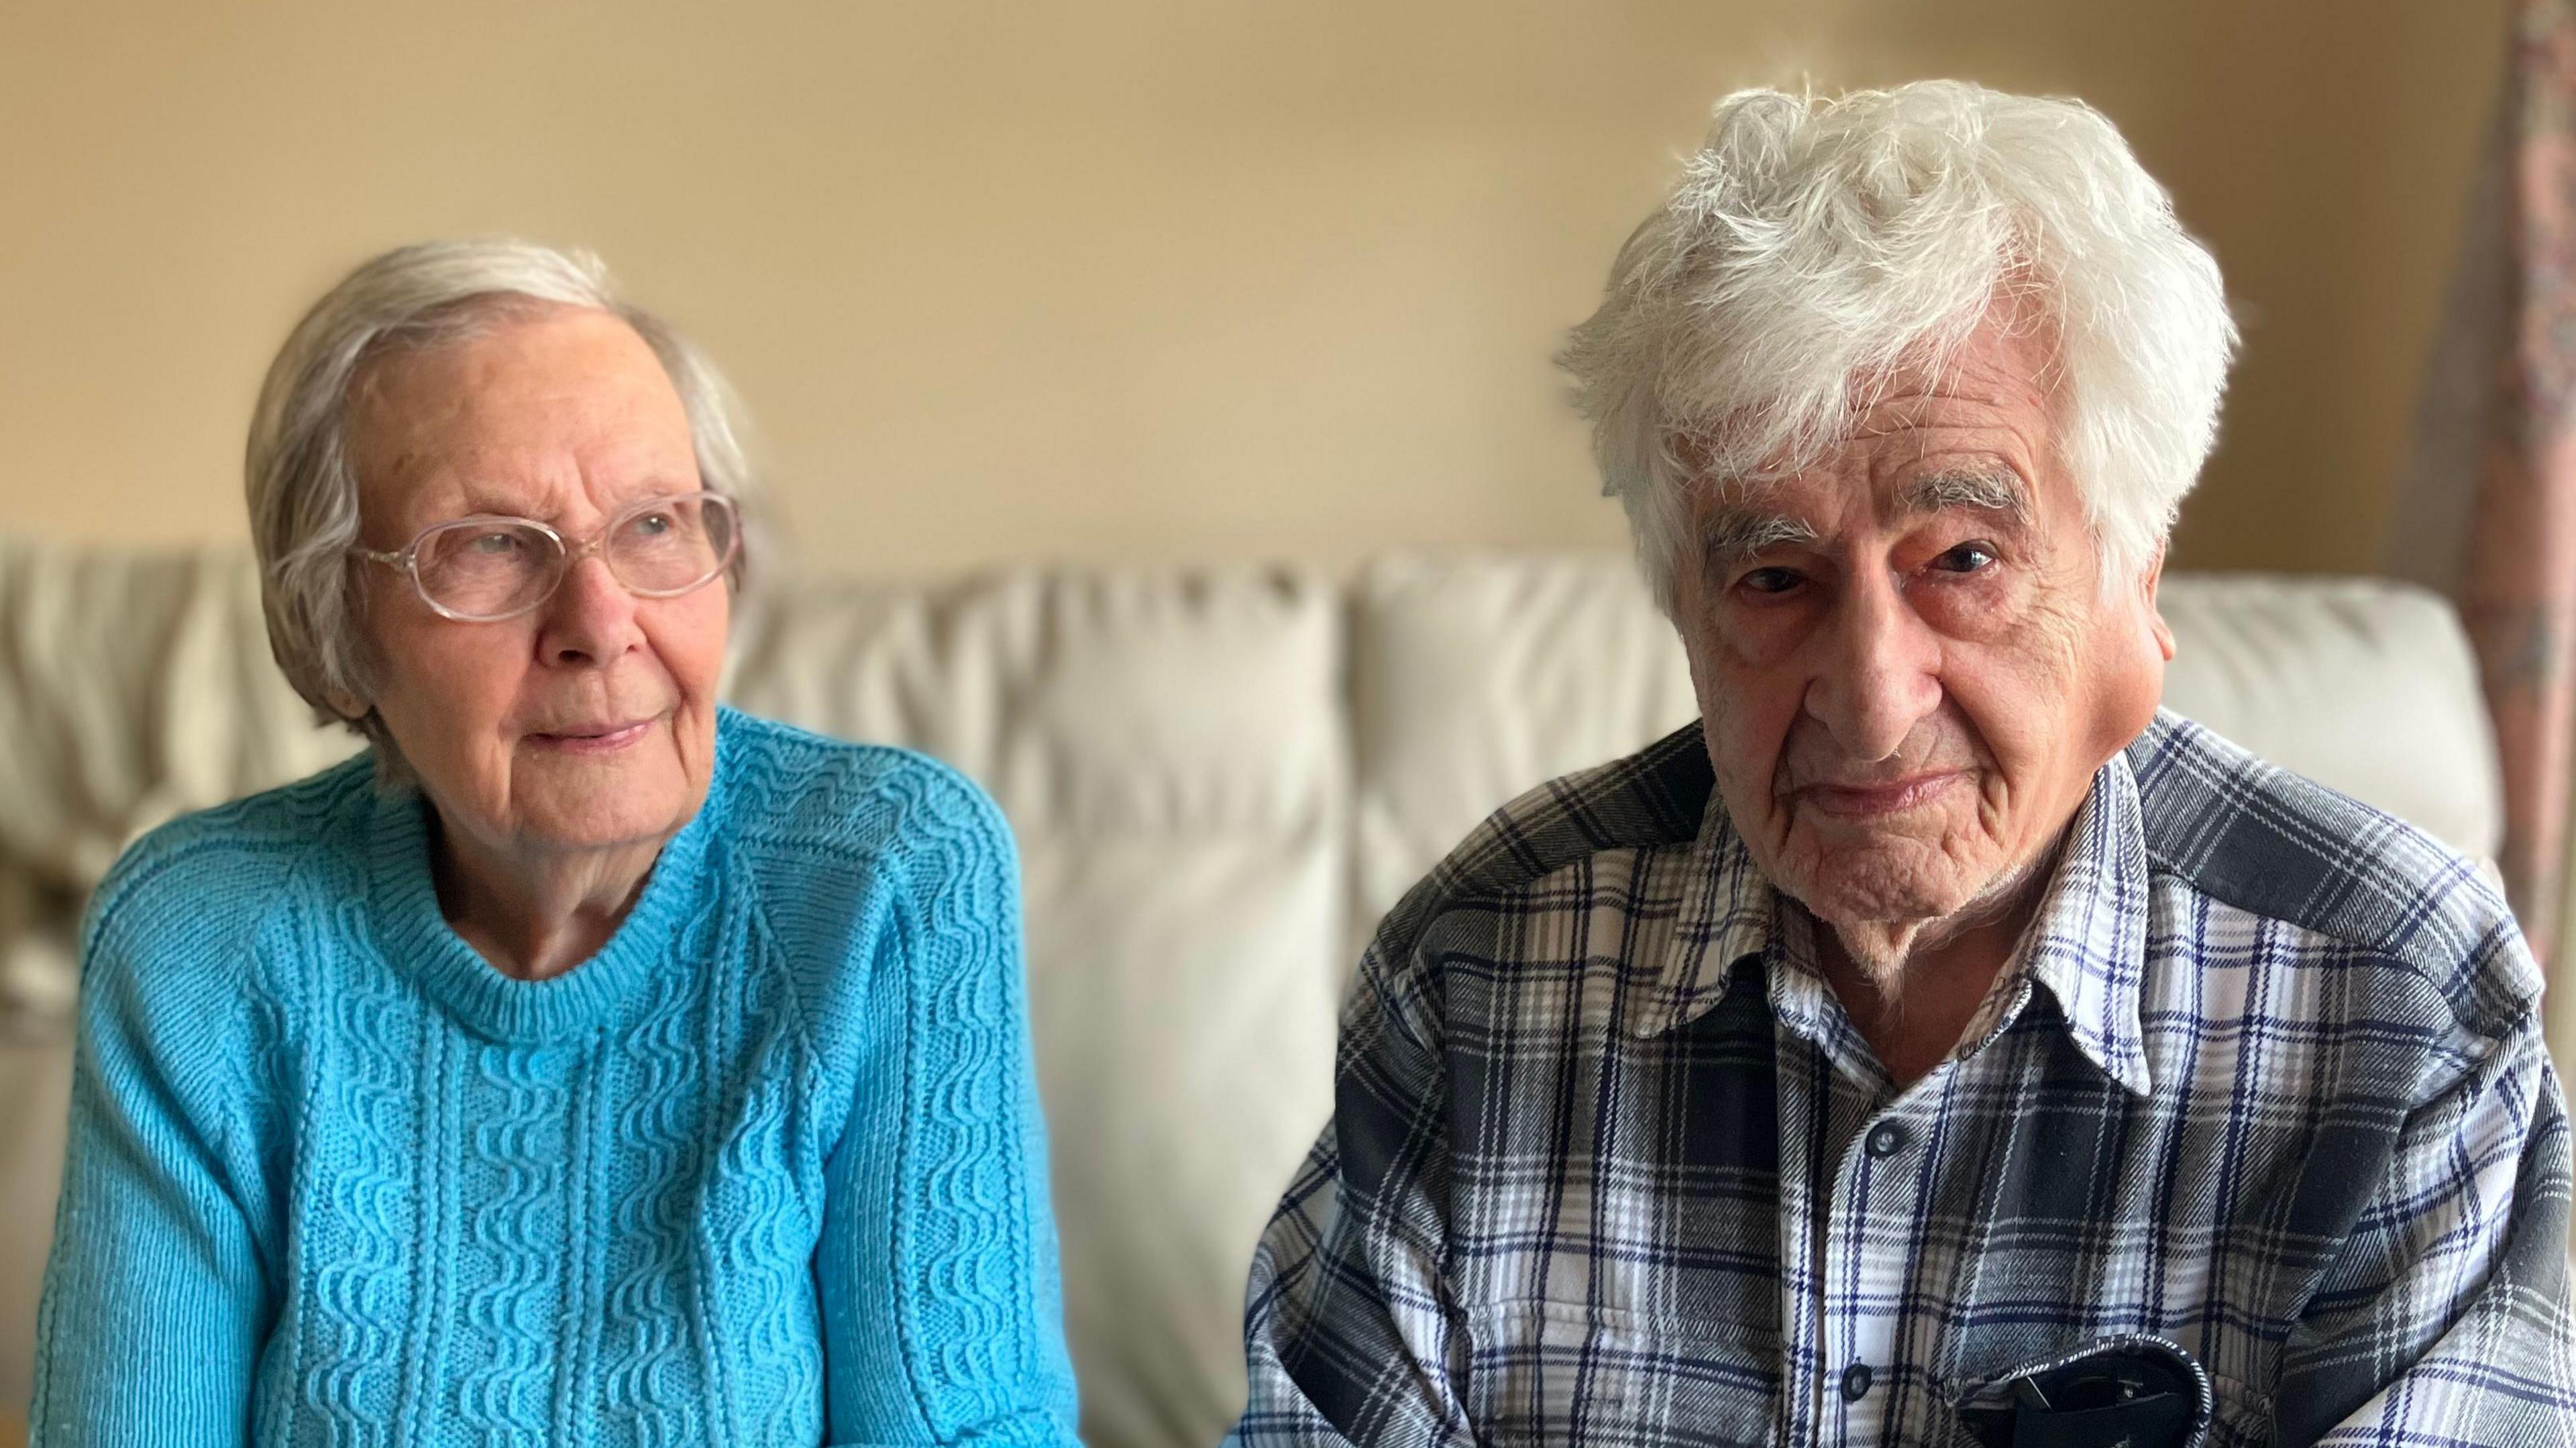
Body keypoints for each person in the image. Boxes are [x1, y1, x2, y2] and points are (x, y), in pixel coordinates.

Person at [1230, 82, 2576, 1445]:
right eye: (1773, 577)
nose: (1872, 704)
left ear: (2134, 572)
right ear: (1681, 615)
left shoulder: (2403, 1019)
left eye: (1965, 562)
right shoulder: (1474, 982)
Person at [31, 239, 1079, 1444]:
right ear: (337, 630)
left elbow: (966, 1427)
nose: (601, 624)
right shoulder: (199, 942)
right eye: (487, 545)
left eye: (653, 525)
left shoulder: (885, 881)